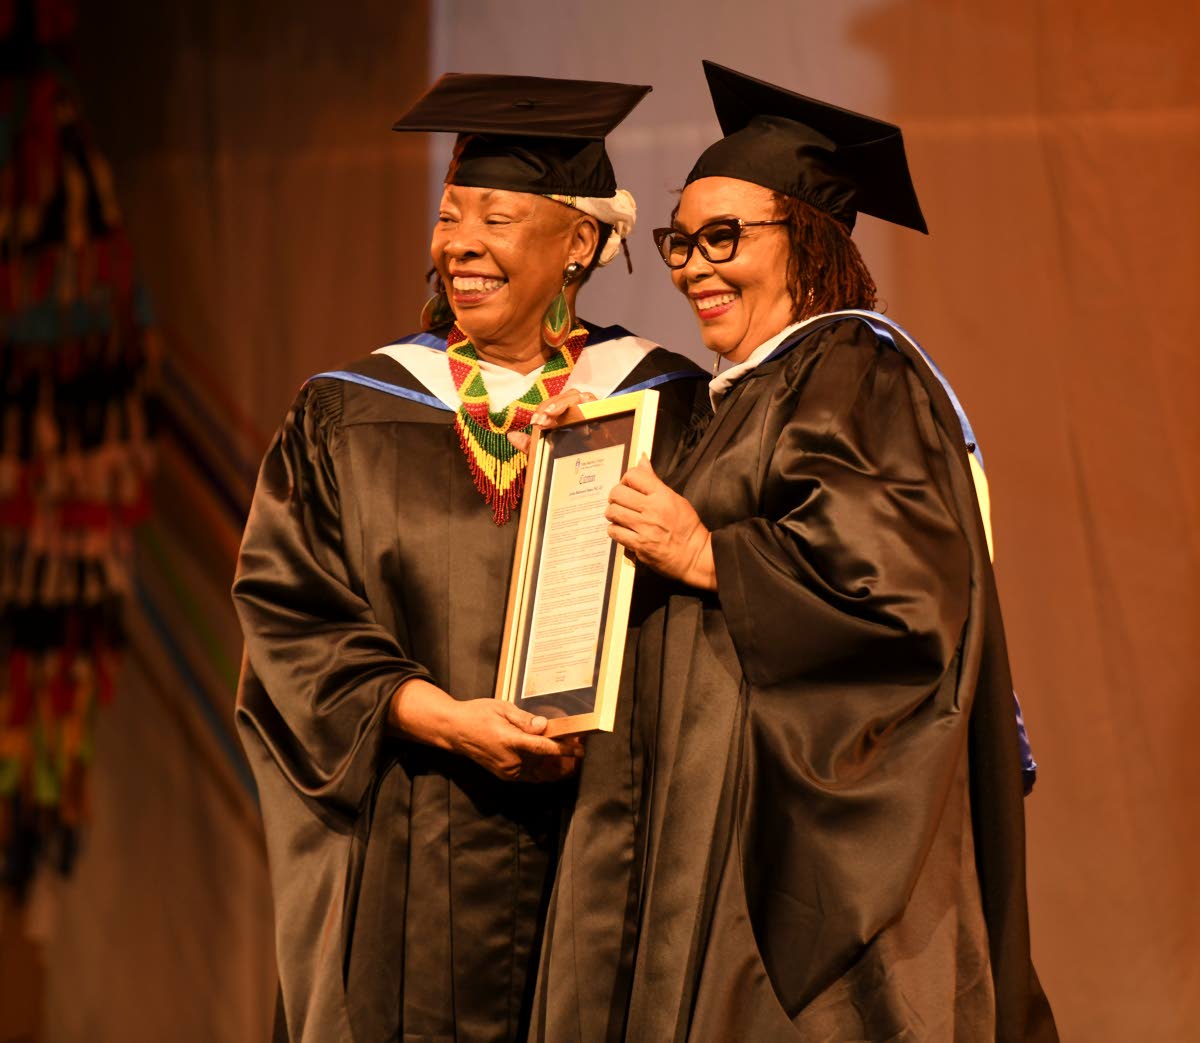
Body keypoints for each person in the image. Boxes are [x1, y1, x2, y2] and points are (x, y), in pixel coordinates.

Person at [529, 62, 1057, 1042]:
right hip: (704, 851)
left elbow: (901, 604)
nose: (694, 267)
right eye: (679, 242)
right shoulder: (736, 396)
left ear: (807, 238)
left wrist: (711, 555)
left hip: (796, 881)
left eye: (724, 235)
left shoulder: (856, 371)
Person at [232, 72, 708, 1043]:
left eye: (496, 214)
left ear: (579, 241)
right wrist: (443, 717)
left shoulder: (666, 402)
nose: (461, 243)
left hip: (606, 856)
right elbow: (290, 619)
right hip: (413, 858)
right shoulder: (350, 410)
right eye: (451, 215)